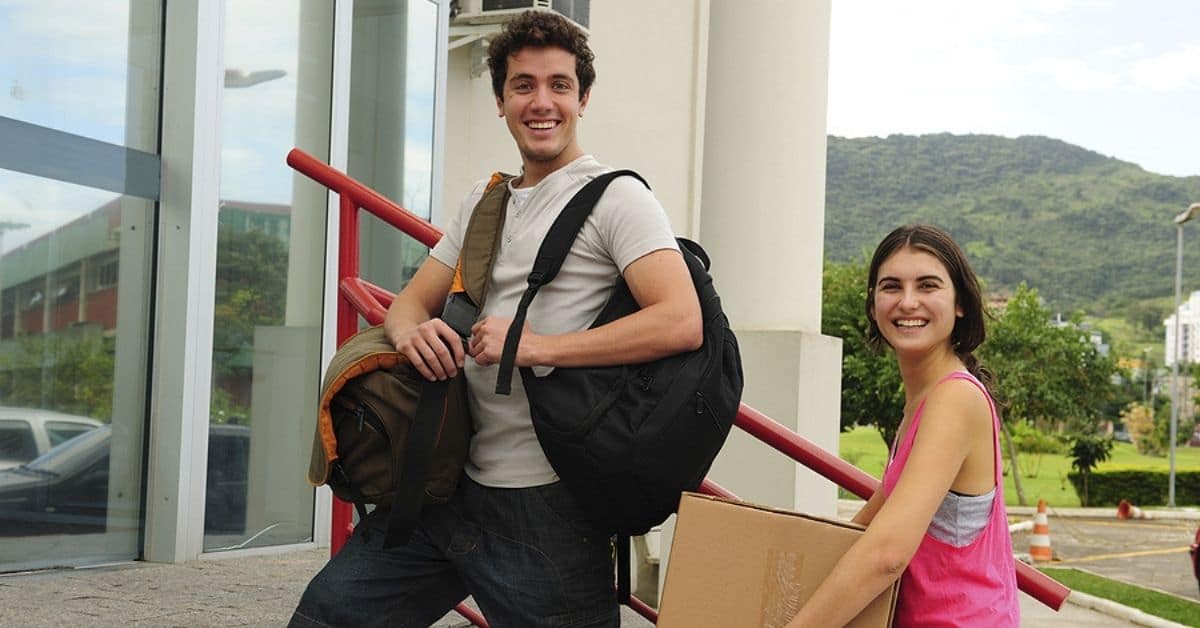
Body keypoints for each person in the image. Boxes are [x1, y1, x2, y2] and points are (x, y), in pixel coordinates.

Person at [290, 10, 701, 628]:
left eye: (559, 85)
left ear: (583, 98)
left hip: (547, 508)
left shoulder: (619, 198)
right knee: (327, 616)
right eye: (523, 85)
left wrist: (539, 345)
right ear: (501, 101)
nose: (543, 102)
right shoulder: (485, 202)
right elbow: (408, 304)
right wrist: (411, 332)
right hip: (446, 486)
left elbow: (680, 320)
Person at [786, 224, 1019, 627]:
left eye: (927, 286)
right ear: (873, 304)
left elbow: (887, 553)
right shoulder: (923, 400)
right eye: (891, 287)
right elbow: (874, 520)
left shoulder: (954, 399)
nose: (908, 302)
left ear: (960, 303)